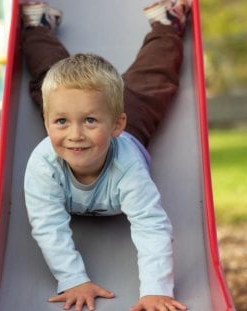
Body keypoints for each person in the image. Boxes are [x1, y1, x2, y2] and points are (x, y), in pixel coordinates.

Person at [21, 1, 190, 310]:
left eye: (90, 121)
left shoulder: (126, 164)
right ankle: (36, 27)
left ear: (116, 124)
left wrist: (155, 289)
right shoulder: (43, 165)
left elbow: (151, 225)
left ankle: (166, 25)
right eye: (60, 122)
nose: (75, 135)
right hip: (77, 104)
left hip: (133, 119)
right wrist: (73, 279)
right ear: (46, 123)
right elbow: (47, 225)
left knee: (154, 80)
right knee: (48, 79)